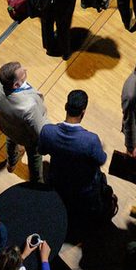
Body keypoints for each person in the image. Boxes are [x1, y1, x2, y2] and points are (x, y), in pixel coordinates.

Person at [38, 90, 110, 223]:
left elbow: (41, 151)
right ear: (83, 112)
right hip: (83, 187)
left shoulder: (47, 131)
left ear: (66, 106)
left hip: (58, 181)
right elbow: (102, 159)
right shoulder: (91, 140)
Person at [0, 61, 48, 184]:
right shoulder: (28, 106)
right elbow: (40, 132)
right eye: (23, 73)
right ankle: (37, 182)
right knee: (34, 157)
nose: (25, 70)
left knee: (11, 140)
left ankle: (11, 163)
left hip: (7, 126)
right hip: (26, 136)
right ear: (16, 85)